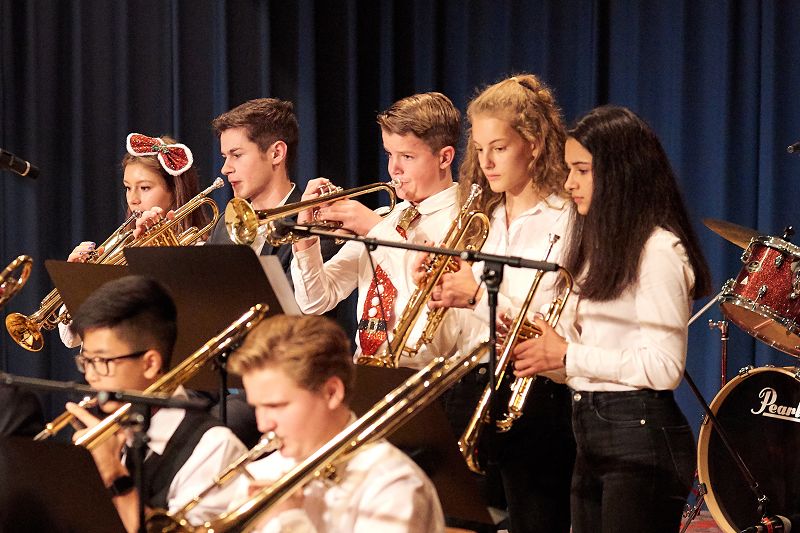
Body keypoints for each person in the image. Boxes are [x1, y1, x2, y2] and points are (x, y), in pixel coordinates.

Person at [512, 105, 712, 533]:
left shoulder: (658, 251)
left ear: (620, 173)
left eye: (581, 170)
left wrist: (567, 354)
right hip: (589, 432)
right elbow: (582, 365)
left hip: (640, 441)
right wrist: (542, 353)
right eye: (569, 169)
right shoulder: (595, 252)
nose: (569, 184)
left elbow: (664, 368)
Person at [426, 74, 576, 533]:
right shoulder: (482, 219)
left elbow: (559, 324)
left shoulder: (563, 218)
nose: (486, 162)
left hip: (539, 397)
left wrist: (476, 294)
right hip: (474, 384)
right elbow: (463, 330)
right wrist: (439, 295)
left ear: (532, 144)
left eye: (499, 147)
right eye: (480, 148)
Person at [290, 92, 469, 368]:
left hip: (423, 378)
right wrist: (305, 237)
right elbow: (316, 301)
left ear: (444, 158)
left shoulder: (463, 222)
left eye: (407, 156)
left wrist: (377, 231)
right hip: (365, 370)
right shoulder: (385, 217)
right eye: (389, 154)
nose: (393, 169)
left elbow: (439, 329)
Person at [225, 313, 445, 532]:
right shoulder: (261, 473)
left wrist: (290, 521)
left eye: (276, 406)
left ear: (331, 393)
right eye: (257, 406)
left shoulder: (394, 485)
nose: (263, 425)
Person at [64, 275, 247, 533]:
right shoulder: (115, 431)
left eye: (102, 361)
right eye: (86, 361)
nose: (90, 376)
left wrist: (116, 477)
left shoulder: (214, 448)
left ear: (150, 363)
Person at [59, 133, 209, 349]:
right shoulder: (118, 246)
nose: (133, 198)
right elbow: (71, 337)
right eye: (128, 187)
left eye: (145, 187)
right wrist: (76, 282)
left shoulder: (199, 249)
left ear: (175, 192)